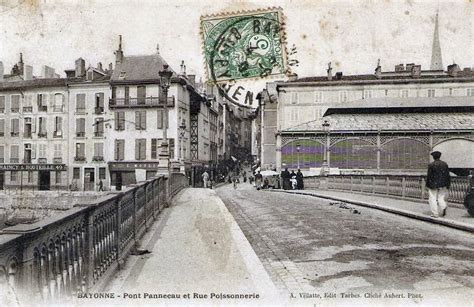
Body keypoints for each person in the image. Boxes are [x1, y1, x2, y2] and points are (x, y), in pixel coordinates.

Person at [426, 151, 451, 218]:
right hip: (443, 184)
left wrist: (427, 185)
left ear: (433, 157)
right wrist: (448, 184)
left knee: (432, 198)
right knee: (441, 197)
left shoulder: (431, 165)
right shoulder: (444, 164)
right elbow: (447, 175)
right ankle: (443, 207)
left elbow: (429, 176)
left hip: (433, 184)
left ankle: (435, 213)